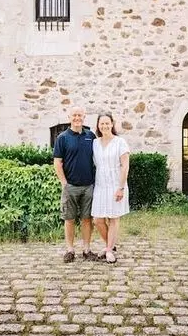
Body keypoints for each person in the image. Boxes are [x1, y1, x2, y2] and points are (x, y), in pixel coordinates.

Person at [53, 105, 96, 263]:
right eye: (74, 115)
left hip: (88, 186)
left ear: (84, 117)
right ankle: (70, 250)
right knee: (69, 219)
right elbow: (57, 162)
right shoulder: (62, 138)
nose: (77, 118)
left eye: (80, 115)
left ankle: (86, 249)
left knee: (87, 219)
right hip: (70, 186)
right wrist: (64, 183)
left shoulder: (90, 136)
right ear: (69, 117)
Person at [91, 113, 130, 264]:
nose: (105, 126)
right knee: (97, 219)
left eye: (107, 123)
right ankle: (110, 246)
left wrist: (120, 187)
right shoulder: (94, 143)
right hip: (100, 185)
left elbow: (125, 166)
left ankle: (108, 249)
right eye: (102, 124)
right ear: (98, 125)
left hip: (116, 184)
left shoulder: (120, 142)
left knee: (113, 217)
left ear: (112, 124)